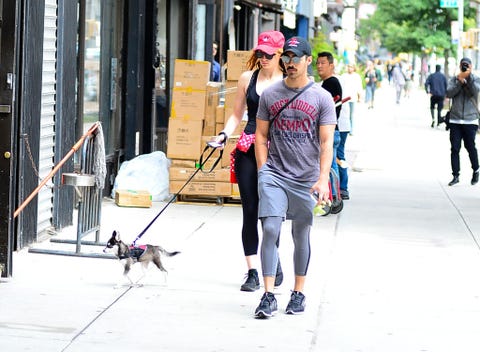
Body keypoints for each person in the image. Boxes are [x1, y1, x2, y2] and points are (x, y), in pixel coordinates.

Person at [253, 36, 336, 318]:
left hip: (305, 178)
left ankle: (298, 292)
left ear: (308, 60)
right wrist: (263, 170)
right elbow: (261, 136)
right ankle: (267, 295)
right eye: (286, 58)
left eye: (295, 58)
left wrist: (323, 178)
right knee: (271, 229)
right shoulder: (270, 95)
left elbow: (327, 143)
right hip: (274, 173)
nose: (289, 63)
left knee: (301, 234)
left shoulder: (322, 98)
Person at [213, 31, 286, 292]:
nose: (263, 58)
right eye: (259, 53)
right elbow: (236, 115)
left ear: (279, 54)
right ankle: (253, 271)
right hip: (247, 150)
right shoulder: (248, 78)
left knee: (272, 213)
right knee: (250, 211)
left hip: (277, 154)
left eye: (268, 54)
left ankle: (272, 260)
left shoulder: (289, 82)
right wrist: (223, 135)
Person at [445, 57, 480, 186]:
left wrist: (468, 79)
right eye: (463, 66)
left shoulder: (475, 79)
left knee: (470, 147)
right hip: (455, 119)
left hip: (470, 120)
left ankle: (476, 169)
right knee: (455, 148)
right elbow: (448, 93)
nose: (465, 68)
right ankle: (455, 175)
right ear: (460, 66)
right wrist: (459, 82)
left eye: (467, 66)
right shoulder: (454, 79)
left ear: (471, 66)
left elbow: (476, 91)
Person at [316, 51, 342, 197]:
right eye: (318, 63)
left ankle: (332, 197)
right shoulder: (327, 83)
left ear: (331, 65)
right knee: (331, 165)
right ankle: (334, 196)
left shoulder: (331, 83)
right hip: (333, 131)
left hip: (330, 131)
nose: (319, 66)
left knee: (329, 166)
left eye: (323, 63)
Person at [340, 63, 362, 135]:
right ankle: (345, 128)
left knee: (351, 115)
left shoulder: (357, 76)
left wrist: (359, 97)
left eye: (351, 67)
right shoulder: (343, 76)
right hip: (345, 98)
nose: (350, 68)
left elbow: (359, 87)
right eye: (349, 67)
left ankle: (351, 129)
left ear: (354, 68)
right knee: (345, 114)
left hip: (353, 98)